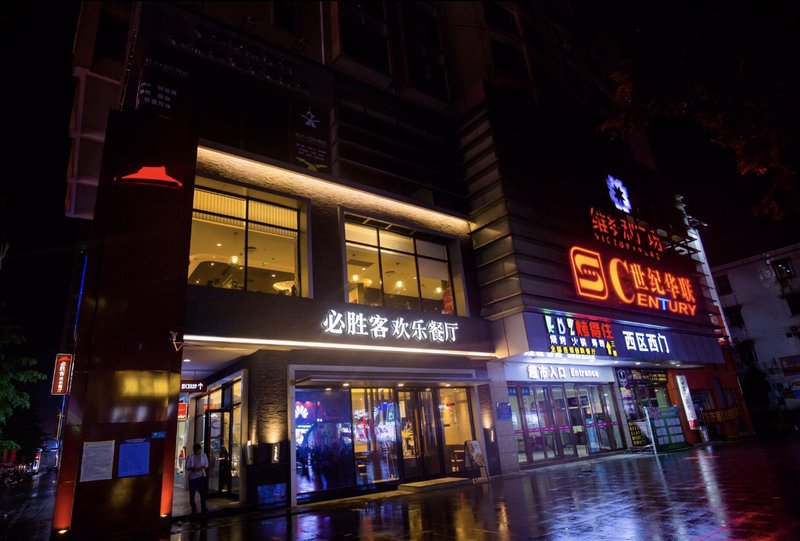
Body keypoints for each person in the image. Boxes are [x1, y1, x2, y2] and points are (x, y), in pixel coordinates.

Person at [185, 443, 209, 513]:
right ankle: (193, 507)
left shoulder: (203, 455)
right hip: (192, 477)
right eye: (197, 450)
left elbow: (206, 464)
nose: (198, 452)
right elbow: (186, 467)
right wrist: (193, 469)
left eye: (199, 450)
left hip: (200, 476)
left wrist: (201, 467)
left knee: (202, 492)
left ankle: (203, 506)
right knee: (192, 493)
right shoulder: (190, 457)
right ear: (194, 450)